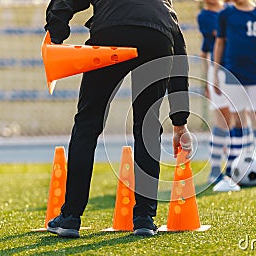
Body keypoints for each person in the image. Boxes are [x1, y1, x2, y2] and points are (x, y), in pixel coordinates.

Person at [44, 0, 192, 238]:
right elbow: (178, 55)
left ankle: (70, 217)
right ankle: (144, 218)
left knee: (87, 124)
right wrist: (179, 121)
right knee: (148, 125)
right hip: (157, 36)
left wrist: (56, 34)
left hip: (111, 31)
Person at [213, 0, 256, 185]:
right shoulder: (225, 14)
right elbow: (220, 43)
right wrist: (216, 72)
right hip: (233, 76)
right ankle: (233, 170)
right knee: (237, 122)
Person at [197, 0, 239, 191]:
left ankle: (232, 168)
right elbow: (208, 50)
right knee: (222, 120)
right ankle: (215, 170)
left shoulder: (231, 9)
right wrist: (209, 79)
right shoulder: (206, 16)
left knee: (235, 120)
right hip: (220, 70)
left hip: (237, 67)